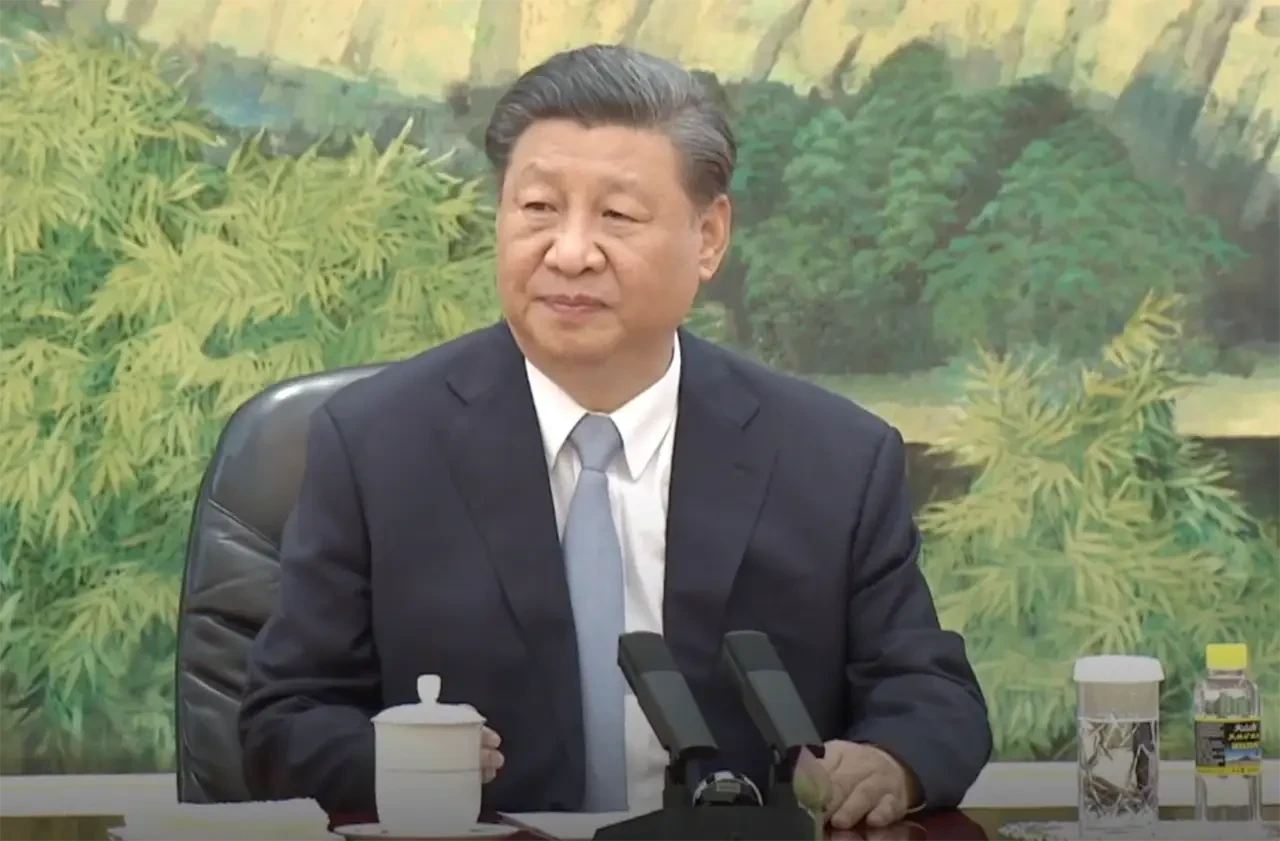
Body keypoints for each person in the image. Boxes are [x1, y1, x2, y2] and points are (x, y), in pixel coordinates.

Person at [238, 43, 992, 831]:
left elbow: (930, 695)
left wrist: (892, 763)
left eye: (618, 216)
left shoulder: (833, 459)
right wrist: (405, 758)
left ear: (709, 237)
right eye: (537, 208)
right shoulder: (376, 445)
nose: (569, 252)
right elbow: (284, 719)